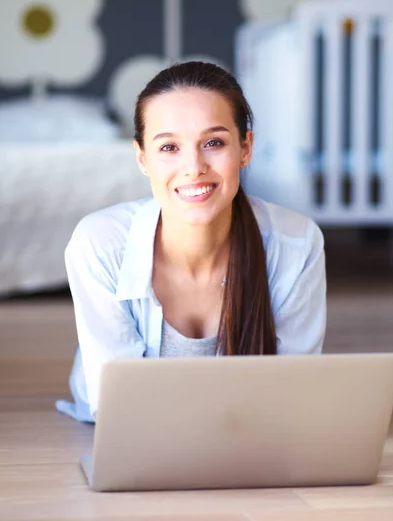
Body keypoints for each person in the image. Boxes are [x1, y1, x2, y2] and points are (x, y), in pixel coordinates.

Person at [56, 61, 327, 423]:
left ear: (245, 148)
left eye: (213, 142)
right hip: (133, 432)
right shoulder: (100, 243)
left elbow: (296, 392)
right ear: (142, 158)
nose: (194, 166)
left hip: (244, 434)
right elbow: (119, 409)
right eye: (169, 147)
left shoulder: (296, 243)